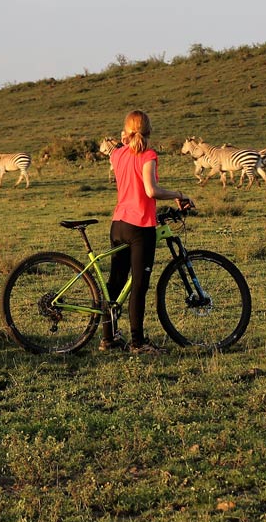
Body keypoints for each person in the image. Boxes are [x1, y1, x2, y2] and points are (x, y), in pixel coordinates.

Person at [100, 110, 193, 355]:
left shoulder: (117, 154)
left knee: (116, 282)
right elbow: (151, 191)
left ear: (127, 130)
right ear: (149, 129)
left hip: (118, 223)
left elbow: (118, 157)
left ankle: (108, 338)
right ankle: (138, 342)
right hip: (140, 226)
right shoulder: (148, 155)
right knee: (139, 286)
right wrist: (179, 194)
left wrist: (123, 141)